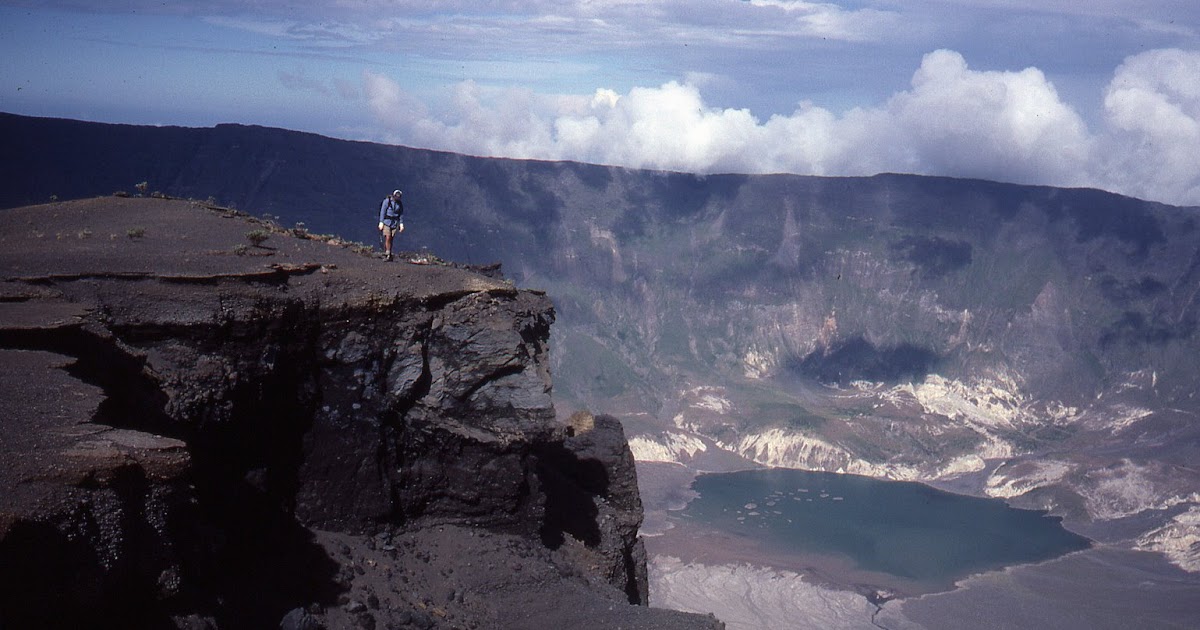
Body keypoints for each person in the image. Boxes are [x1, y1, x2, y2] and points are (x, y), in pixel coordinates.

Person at [378, 189, 404, 261]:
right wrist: (381, 222)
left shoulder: (399, 204)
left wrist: (401, 223)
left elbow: (401, 214)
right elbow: (382, 211)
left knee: (391, 238)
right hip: (387, 222)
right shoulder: (387, 201)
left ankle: (388, 253)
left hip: (394, 223)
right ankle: (387, 253)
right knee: (387, 236)